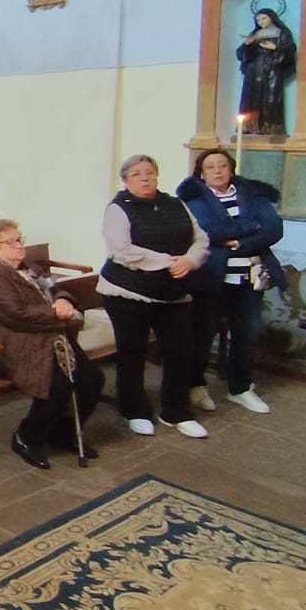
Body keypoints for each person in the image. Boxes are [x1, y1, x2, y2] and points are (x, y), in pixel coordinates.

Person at [0, 219, 105, 470]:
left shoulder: (28, 267)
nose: (18, 245)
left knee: (91, 379)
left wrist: (64, 299)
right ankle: (26, 437)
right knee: (56, 383)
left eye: (19, 239)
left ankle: (62, 431)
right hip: (13, 343)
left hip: (49, 335)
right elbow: (14, 314)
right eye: (10, 242)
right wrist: (55, 314)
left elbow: (54, 288)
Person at [98, 155, 209, 438]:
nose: (145, 178)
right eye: (137, 174)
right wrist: (168, 262)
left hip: (173, 292)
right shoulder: (118, 208)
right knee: (132, 352)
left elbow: (200, 238)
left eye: (149, 172)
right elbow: (121, 249)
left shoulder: (176, 203)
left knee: (180, 351)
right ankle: (134, 409)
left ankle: (176, 411)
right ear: (126, 180)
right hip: (128, 291)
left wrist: (190, 261)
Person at [177, 150, 286, 416]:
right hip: (210, 278)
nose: (217, 171)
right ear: (201, 173)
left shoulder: (252, 194)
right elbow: (208, 231)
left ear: (231, 169)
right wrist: (251, 226)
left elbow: (274, 227)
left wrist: (238, 242)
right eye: (210, 167)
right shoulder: (195, 198)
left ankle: (240, 387)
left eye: (222, 165)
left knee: (247, 333)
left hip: (247, 278)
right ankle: (195, 384)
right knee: (203, 334)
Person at [236, 7, 297, 135]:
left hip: (271, 70)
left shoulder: (282, 33)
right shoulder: (255, 34)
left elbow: (289, 52)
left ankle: (269, 128)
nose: (261, 22)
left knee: (271, 99)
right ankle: (250, 127)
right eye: (258, 20)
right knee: (251, 99)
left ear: (272, 18)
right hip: (253, 70)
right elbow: (241, 54)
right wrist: (247, 44)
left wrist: (274, 47)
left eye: (264, 18)